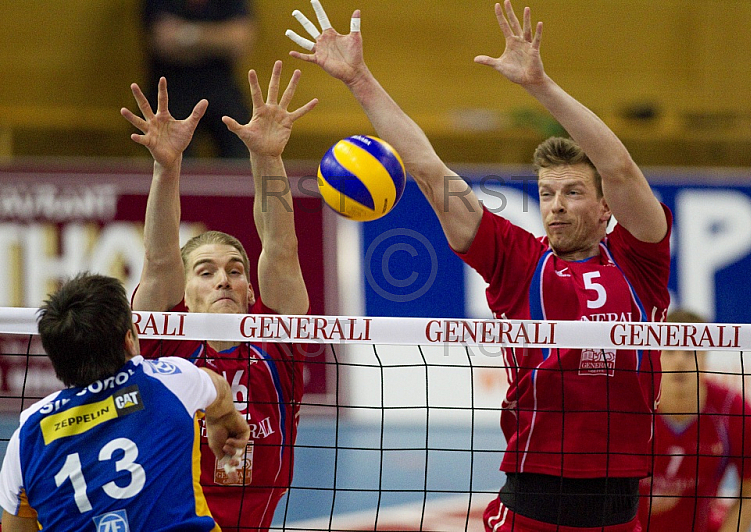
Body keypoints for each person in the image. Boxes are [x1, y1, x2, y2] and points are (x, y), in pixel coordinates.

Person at [286, 1, 671, 530]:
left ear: (606, 207)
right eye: (547, 193)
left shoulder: (641, 263)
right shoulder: (516, 260)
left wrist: (540, 86)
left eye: (574, 192)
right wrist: (359, 80)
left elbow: (620, 168)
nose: (555, 204)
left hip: (621, 510)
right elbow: (427, 169)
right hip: (533, 502)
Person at [121, 60, 317, 530]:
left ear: (253, 292)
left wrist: (267, 157)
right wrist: (166, 167)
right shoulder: (164, 344)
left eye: (234, 271)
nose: (224, 280)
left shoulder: (278, 343)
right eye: (205, 272)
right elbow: (161, 260)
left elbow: (281, 249)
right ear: (183, 294)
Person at [0, 273, 249, 531]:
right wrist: (226, 418)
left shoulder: (26, 436)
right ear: (129, 340)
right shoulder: (172, 381)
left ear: (57, 362)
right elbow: (216, 387)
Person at [638, 309, 751, 532]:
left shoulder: (734, 412)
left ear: (705, 357)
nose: (680, 360)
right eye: (670, 351)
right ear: (655, 355)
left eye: (690, 352)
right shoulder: (631, 407)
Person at [143, 0, 256, 158]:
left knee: (244, 146)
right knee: (171, 158)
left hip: (222, 87)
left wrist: (184, 34)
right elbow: (164, 42)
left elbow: (239, 41)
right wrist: (217, 40)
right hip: (170, 89)